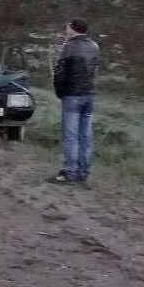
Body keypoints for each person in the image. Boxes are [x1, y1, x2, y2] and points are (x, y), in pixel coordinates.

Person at [48, 17, 100, 184]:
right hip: (89, 95)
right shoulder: (94, 46)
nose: (66, 30)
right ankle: (83, 173)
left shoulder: (69, 47)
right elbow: (94, 71)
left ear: (72, 28)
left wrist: (59, 92)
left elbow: (60, 72)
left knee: (71, 135)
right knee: (86, 136)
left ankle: (68, 173)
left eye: (67, 27)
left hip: (72, 95)